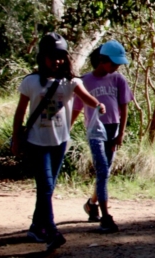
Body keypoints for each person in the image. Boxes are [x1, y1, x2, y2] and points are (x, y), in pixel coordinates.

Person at [12, 32, 105, 252]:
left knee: (48, 188)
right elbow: (19, 113)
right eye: (52, 56)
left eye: (61, 56)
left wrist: (98, 105)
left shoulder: (71, 82)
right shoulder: (31, 82)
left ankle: (36, 226)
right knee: (45, 186)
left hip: (59, 142)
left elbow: (86, 97)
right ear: (42, 57)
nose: (57, 61)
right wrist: (16, 138)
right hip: (37, 142)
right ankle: (52, 231)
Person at [72, 40, 133, 234]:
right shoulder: (84, 82)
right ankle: (106, 217)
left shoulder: (118, 80)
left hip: (113, 129)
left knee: (104, 172)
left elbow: (124, 108)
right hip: (95, 129)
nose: (116, 67)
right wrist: (66, 129)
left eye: (118, 64)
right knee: (102, 170)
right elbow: (76, 108)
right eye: (113, 63)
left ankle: (91, 204)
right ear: (102, 60)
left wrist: (121, 134)